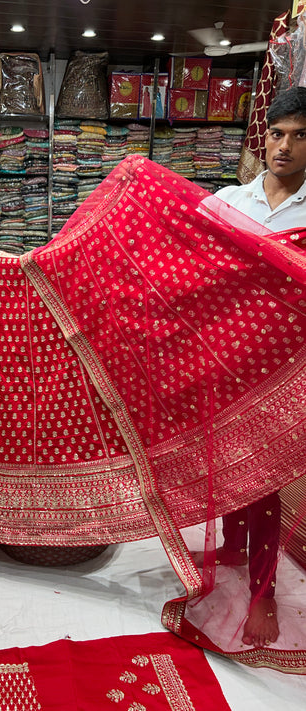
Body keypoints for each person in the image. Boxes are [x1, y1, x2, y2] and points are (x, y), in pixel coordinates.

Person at [197, 86, 306, 649]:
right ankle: (233, 550)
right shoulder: (229, 201)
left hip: (282, 372)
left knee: (264, 481)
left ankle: (262, 592)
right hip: (225, 359)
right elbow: (185, 262)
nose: (284, 146)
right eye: (277, 133)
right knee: (225, 466)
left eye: (299, 135)